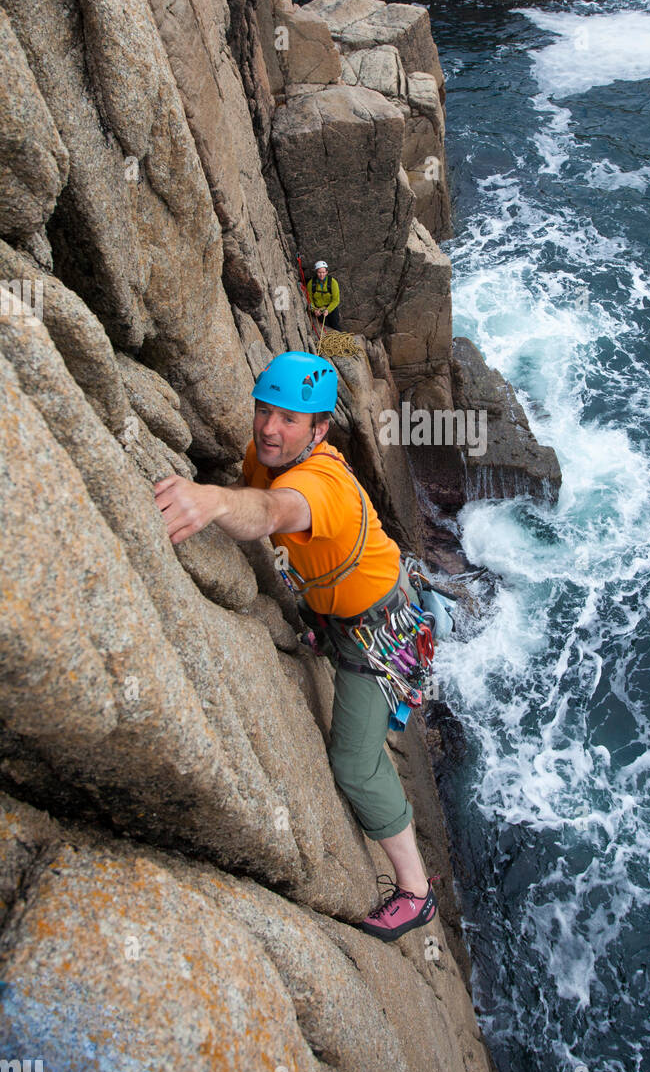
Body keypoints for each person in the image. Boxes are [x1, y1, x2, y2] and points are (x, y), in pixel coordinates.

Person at [153, 351, 437, 942]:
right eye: (264, 410)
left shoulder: (322, 483)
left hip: (378, 632)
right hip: (336, 612)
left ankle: (417, 892)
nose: (268, 428)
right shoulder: (269, 454)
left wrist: (209, 503)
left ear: (320, 430)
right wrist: (221, 496)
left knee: (355, 765)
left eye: (288, 418)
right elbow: (255, 492)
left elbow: (272, 510)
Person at [306, 260, 341, 332]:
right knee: (325, 328)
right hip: (319, 310)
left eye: (323, 272)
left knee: (335, 326)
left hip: (331, 308)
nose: (321, 275)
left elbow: (336, 300)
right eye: (319, 272)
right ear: (316, 272)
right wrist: (314, 310)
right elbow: (310, 300)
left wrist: (328, 310)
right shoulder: (311, 284)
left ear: (327, 272)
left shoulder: (332, 282)